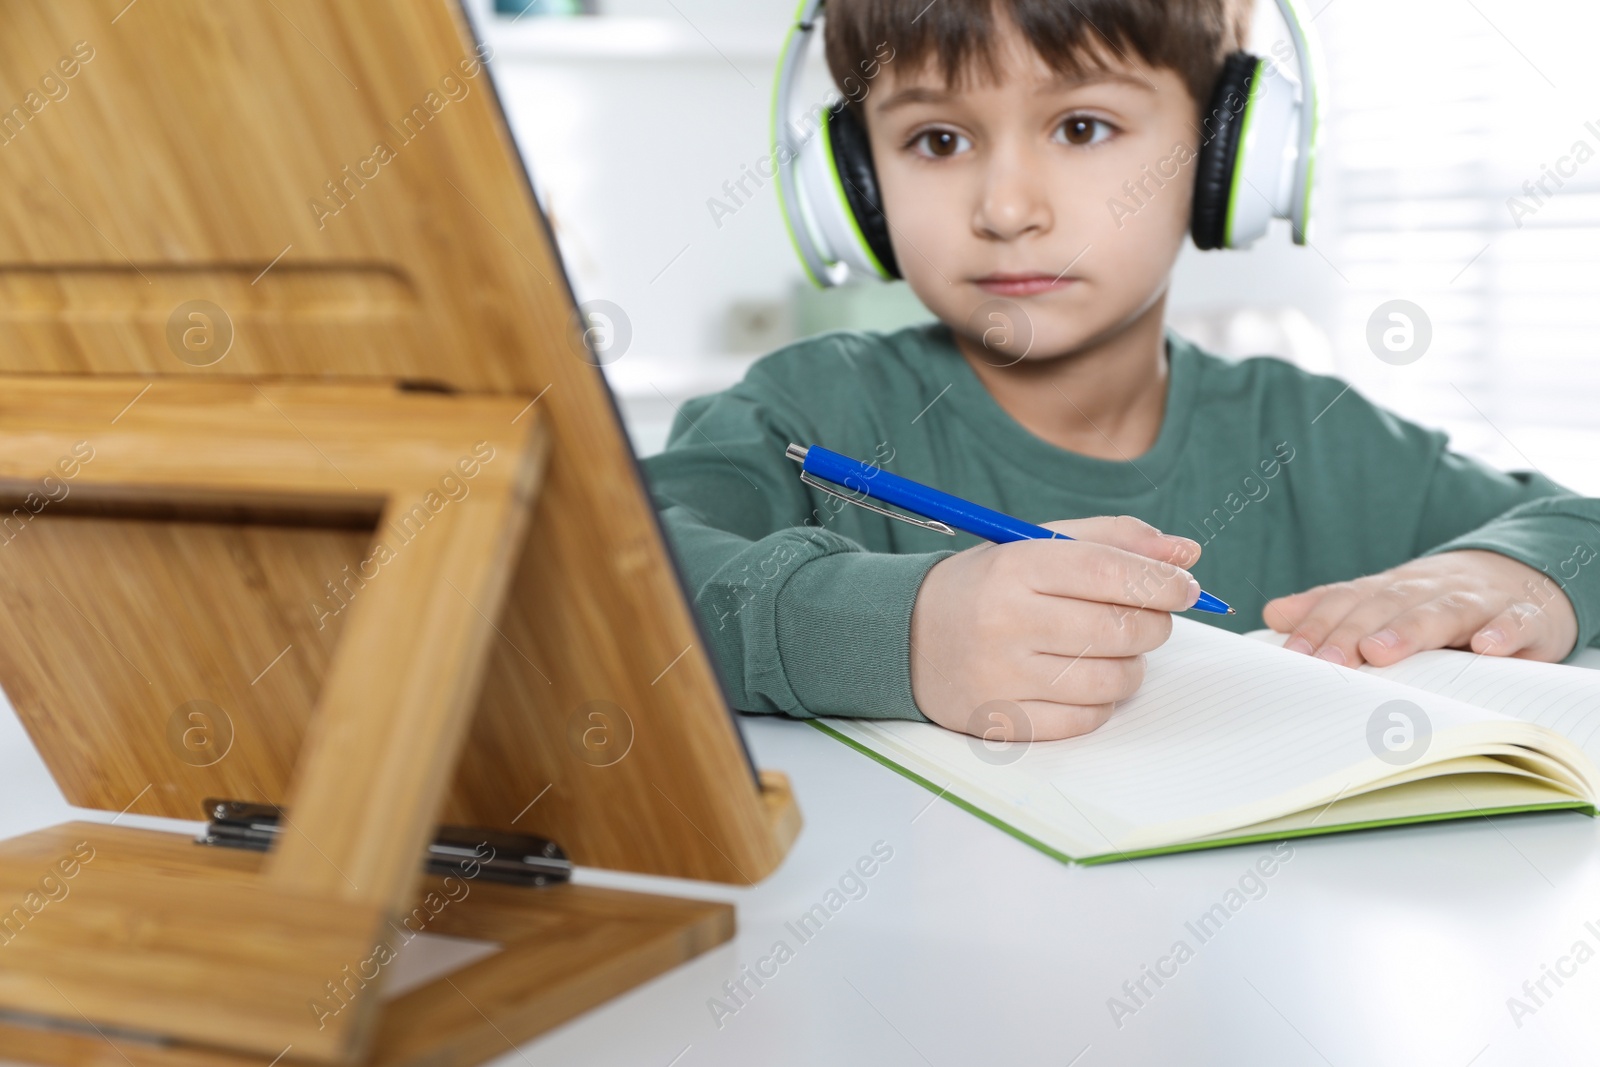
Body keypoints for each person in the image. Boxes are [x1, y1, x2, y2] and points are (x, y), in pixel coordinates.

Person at [641, 0, 1600, 741]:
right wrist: (902, 631)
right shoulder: (804, 411)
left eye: (1083, 128)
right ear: (852, 185)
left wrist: (1509, 576)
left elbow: (1585, 529)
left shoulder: (1310, 434)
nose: (1008, 207)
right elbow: (616, 589)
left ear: (1232, 151)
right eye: (938, 140)